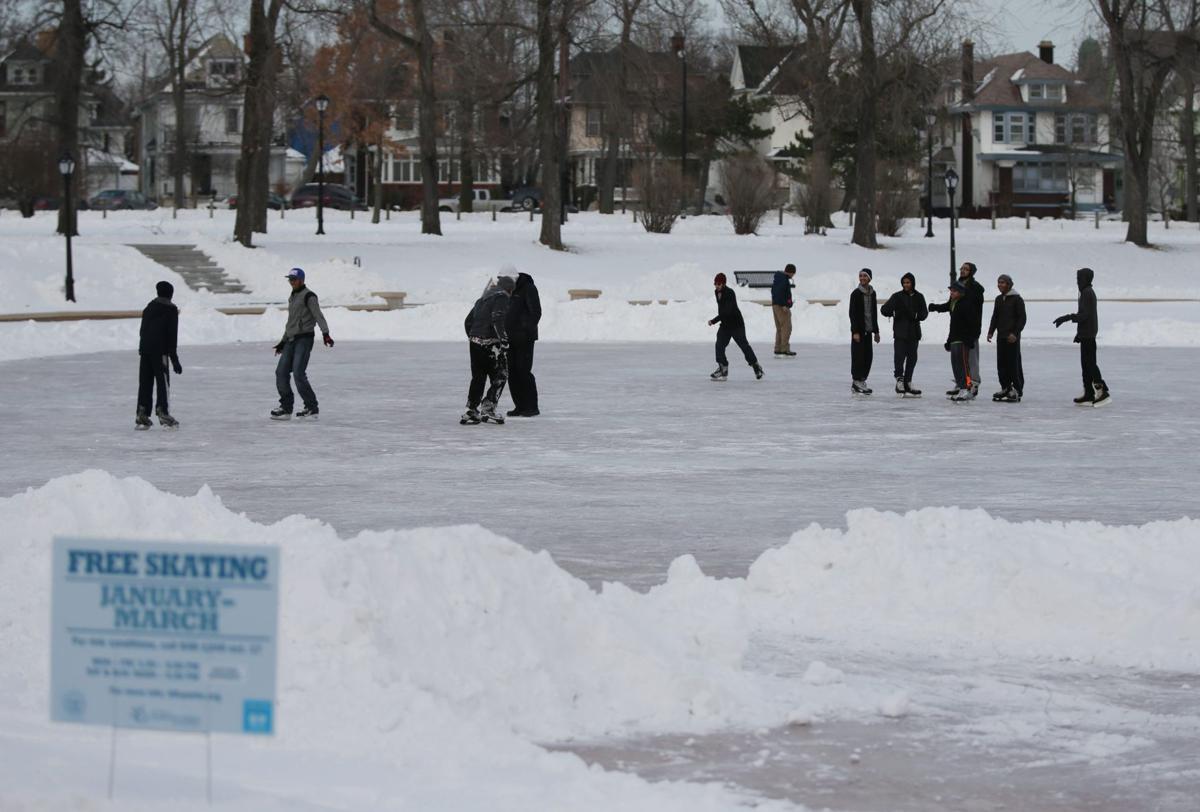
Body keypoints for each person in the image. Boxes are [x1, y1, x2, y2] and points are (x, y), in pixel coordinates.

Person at [271, 268, 333, 420]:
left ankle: (311, 407)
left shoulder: (309, 296)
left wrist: (325, 334)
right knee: (281, 372)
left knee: (298, 373)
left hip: (304, 339)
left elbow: (318, 315)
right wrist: (282, 341)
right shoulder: (293, 296)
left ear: (302, 280)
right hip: (291, 339)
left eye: (294, 279)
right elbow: (291, 322)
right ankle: (286, 408)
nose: (291, 282)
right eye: (290, 280)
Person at [1054, 267, 1110, 407]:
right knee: (1085, 365)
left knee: (1090, 363)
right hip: (1086, 333)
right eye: (1077, 279)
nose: (1077, 281)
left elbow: (1085, 315)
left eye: (1080, 279)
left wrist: (1067, 318)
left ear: (1087, 279)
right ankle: (1089, 393)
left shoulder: (1087, 293)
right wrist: (1080, 334)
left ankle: (1101, 390)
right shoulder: (1085, 292)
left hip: (1089, 334)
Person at [463, 276, 513, 424]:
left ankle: (471, 409)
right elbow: (497, 319)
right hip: (491, 344)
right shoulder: (501, 297)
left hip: (475, 343)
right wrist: (503, 341)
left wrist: (474, 337)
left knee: (478, 377)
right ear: (508, 288)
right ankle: (488, 407)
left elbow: (468, 321)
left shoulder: (482, 299)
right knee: (500, 375)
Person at [136, 280, 182, 429]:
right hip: (160, 351)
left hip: (145, 350)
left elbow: (142, 330)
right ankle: (163, 412)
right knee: (163, 382)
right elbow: (171, 335)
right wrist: (174, 359)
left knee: (145, 382)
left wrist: (142, 347)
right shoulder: (170, 310)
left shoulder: (149, 307)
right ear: (170, 294)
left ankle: (142, 413)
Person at [879, 272, 927, 396]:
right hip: (900, 333)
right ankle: (899, 380)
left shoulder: (919, 297)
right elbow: (884, 310)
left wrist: (915, 315)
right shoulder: (897, 296)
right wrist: (895, 313)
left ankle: (908, 381)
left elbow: (924, 314)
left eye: (908, 282)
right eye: (904, 282)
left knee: (912, 359)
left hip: (914, 334)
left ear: (913, 283)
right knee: (899, 357)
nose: (906, 285)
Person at [708, 273, 763, 380]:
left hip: (736, 324)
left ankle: (756, 365)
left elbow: (726, 312)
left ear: (724, 284)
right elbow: (722, 310)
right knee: (719, 345)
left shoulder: (730, 293)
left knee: (744, 346)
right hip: (725, 325)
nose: (717, 286)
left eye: (719, 284)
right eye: (715, 284)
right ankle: (723, 367)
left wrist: (714, 321)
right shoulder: (717, 292)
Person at [504, 266, 542, 417]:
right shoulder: (505, 290)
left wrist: (524, 330)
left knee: (523, 371)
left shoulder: (529, 288)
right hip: (509, 339)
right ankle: (519, 406)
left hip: (525, 340)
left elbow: (536, 313)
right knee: (512, 373)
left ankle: (532, 406)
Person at [933, 280, 976, 401]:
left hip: (963, 340)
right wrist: (949, 341)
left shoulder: (966, 304)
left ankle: (967, 388)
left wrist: (969, 339)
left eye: (954, 290)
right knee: (956, 365)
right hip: (955, 339)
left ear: (961, 292)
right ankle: (961, 386)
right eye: (951, 290)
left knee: (963, 365)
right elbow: (953, 324)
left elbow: (971, 323)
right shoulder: (954, 302)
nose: (951, 292)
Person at [987, 273, 1027, 402]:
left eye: (1003, 282)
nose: (1000, 285)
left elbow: (1022, 318)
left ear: (1009, 284)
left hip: (1012, 337)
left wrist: (1015, 333)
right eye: (999, 282)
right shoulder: (999, 299)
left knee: (1013, 364)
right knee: (1002, 364)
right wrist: (991, 331)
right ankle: (1005, 387)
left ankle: (1017, 389)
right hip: (1001, 336)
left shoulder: (1017, 299)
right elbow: (995, 316)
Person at [848, 268, 880, 394]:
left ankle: (862, 379)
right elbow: (852, 314)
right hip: (859, 332)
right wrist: (855, 331)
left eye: (865, 276)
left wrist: (876, 331)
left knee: (868, 357)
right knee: (858, 357)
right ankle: (856, 381)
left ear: (869, 278)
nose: (862, 278)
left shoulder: (873, 293)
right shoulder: (855, 294)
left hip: (869, 331)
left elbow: (874, 313)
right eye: (860, 276)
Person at [958, 261, 986, 396]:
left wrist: (975, 328)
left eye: (966, 269)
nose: (962, 271)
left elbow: (975, 310)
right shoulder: (957, 285)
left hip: (971, 328)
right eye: (962, 268)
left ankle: (974, 382)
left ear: (971, 272)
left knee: (971, 358)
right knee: (960, 357)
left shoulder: (975, 288)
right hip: (959, 328)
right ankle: (962, 382)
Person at [771, 263, 797, 357]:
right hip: (781, 307)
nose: (793, 275)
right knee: (786, 328)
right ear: (790, 272)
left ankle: (778, 348)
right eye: (793, 273)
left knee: (780, 329)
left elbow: (774, 292)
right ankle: (784, 349)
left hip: (775, 305)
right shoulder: (783, 280)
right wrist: (784, 305)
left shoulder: (779, 278)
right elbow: (780, 292)